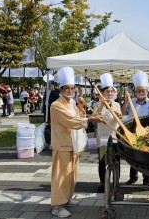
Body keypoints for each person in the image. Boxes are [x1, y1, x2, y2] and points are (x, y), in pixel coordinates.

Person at [50, 66, 103, 218]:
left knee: (72, 174)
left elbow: (80, 115)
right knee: (61, 175)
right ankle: (57, 205)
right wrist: (92, 119)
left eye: (72, 88)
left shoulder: (71, 102)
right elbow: (71, 121)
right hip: (63, 144)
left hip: (73, 143)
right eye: (66, 88)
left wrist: (80, 105)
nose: (70, 90)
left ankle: (66, 199)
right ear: (61, 89)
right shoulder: (56, 105)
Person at [121, 71, 149, 186]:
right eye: (139, 90)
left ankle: (146, 180)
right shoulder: (131, 102)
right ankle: (133, 178)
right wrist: (126, 100)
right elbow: (122, 113)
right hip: (132, 132)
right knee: (133, 156)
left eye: (143, 90)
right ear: (135, 92)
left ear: (147, 91)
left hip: (146, 133)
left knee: (145, 157)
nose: (141, 92)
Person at [95, 73, 122, 193]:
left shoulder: (116, 104)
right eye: (107, 92)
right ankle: (103, 183)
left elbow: (119, 118)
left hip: (114, 137)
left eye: (111, 91)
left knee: (116, 160)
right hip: (102, 138)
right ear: (102, 93)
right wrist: (102, 104)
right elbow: (95, 116)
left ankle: (116, 182)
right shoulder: (97, 104)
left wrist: (118, 114)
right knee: (102, 160)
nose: (110, 94)